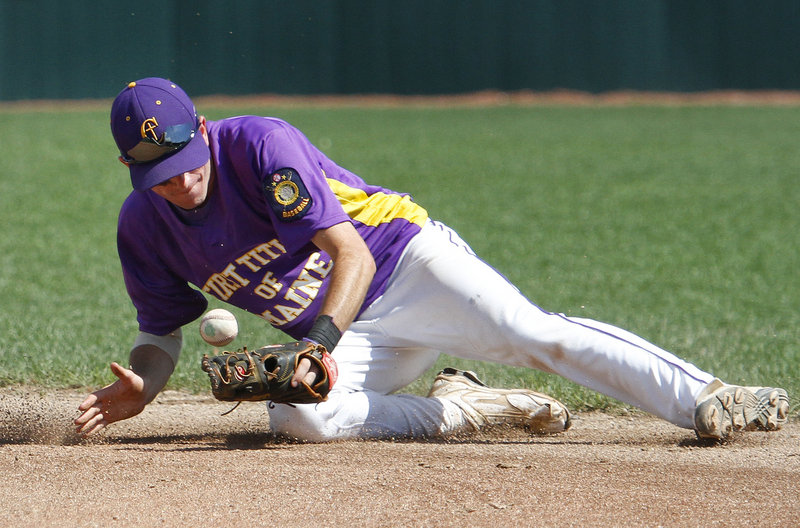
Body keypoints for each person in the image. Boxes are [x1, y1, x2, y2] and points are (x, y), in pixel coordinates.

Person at [75, 77, 789, 442]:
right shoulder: (143, 226)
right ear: (128, 168)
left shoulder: (260, 145)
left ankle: (705, 396)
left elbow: (346, 251)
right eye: (159, 172)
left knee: (533, 335)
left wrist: (318, 344)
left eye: (186, 158)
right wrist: (145, 385)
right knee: (297, 422)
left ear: (203, 129)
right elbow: (161, 332)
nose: (180, 179)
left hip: (404, 262)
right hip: (353, 334)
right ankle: (460, 410)